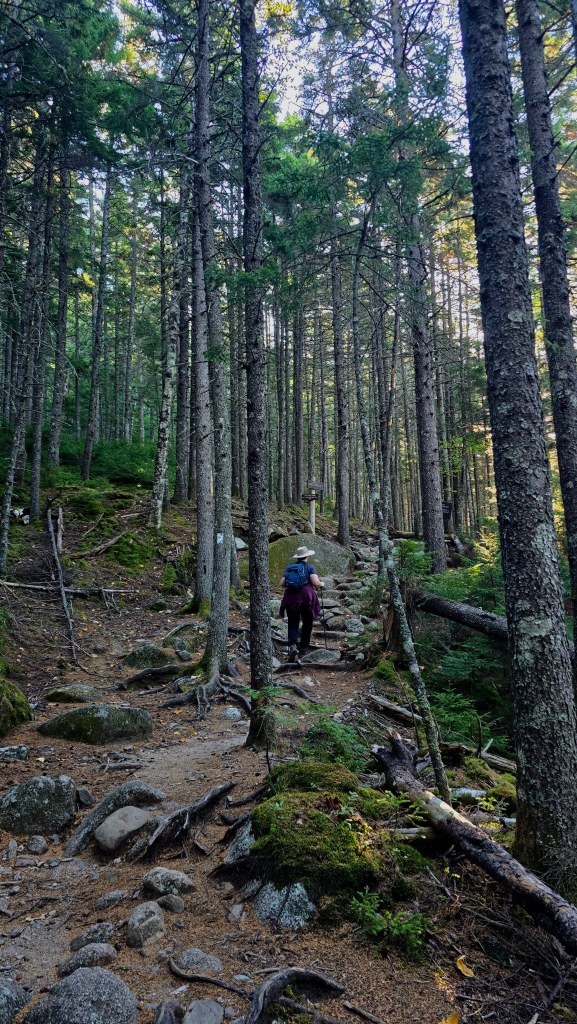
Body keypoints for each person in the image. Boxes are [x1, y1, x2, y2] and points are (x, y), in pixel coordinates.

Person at [279, 545, 324, 660]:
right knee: (307, 623)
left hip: (290, 598)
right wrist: (321, 584)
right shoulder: (310, 567)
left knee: (293, 623)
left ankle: (293, 646)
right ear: (307, 556)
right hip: (306, 598)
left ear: (298, 557)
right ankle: (303, 648)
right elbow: (316, 583)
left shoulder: (290, 567)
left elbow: (282, 583)